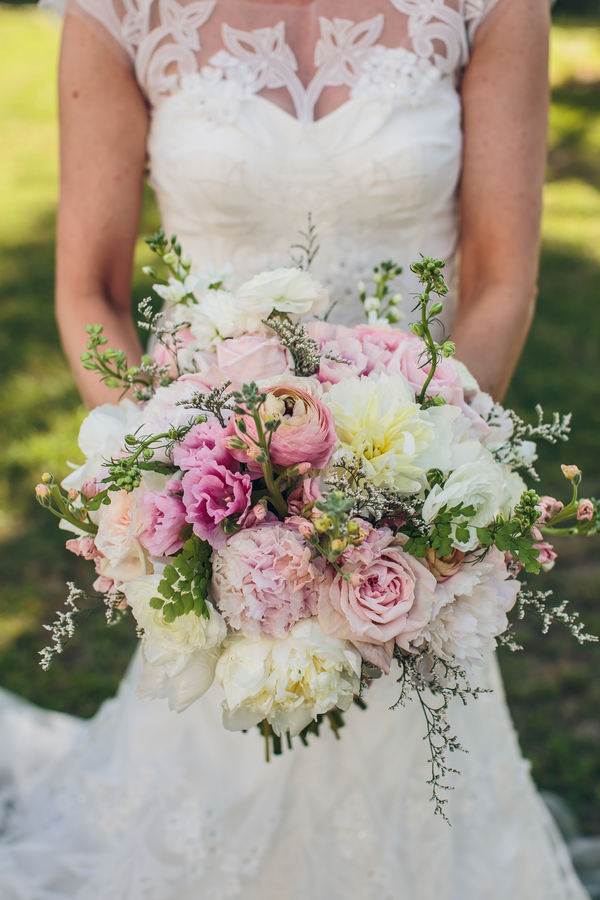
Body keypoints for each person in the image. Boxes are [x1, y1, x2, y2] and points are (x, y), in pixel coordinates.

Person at [0, 0, 590, 897]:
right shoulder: (120, 11)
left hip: (405, 487)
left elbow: (502, 278)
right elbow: (91, 288)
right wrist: (174, 476)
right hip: (214, 493)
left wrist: (418, 496)